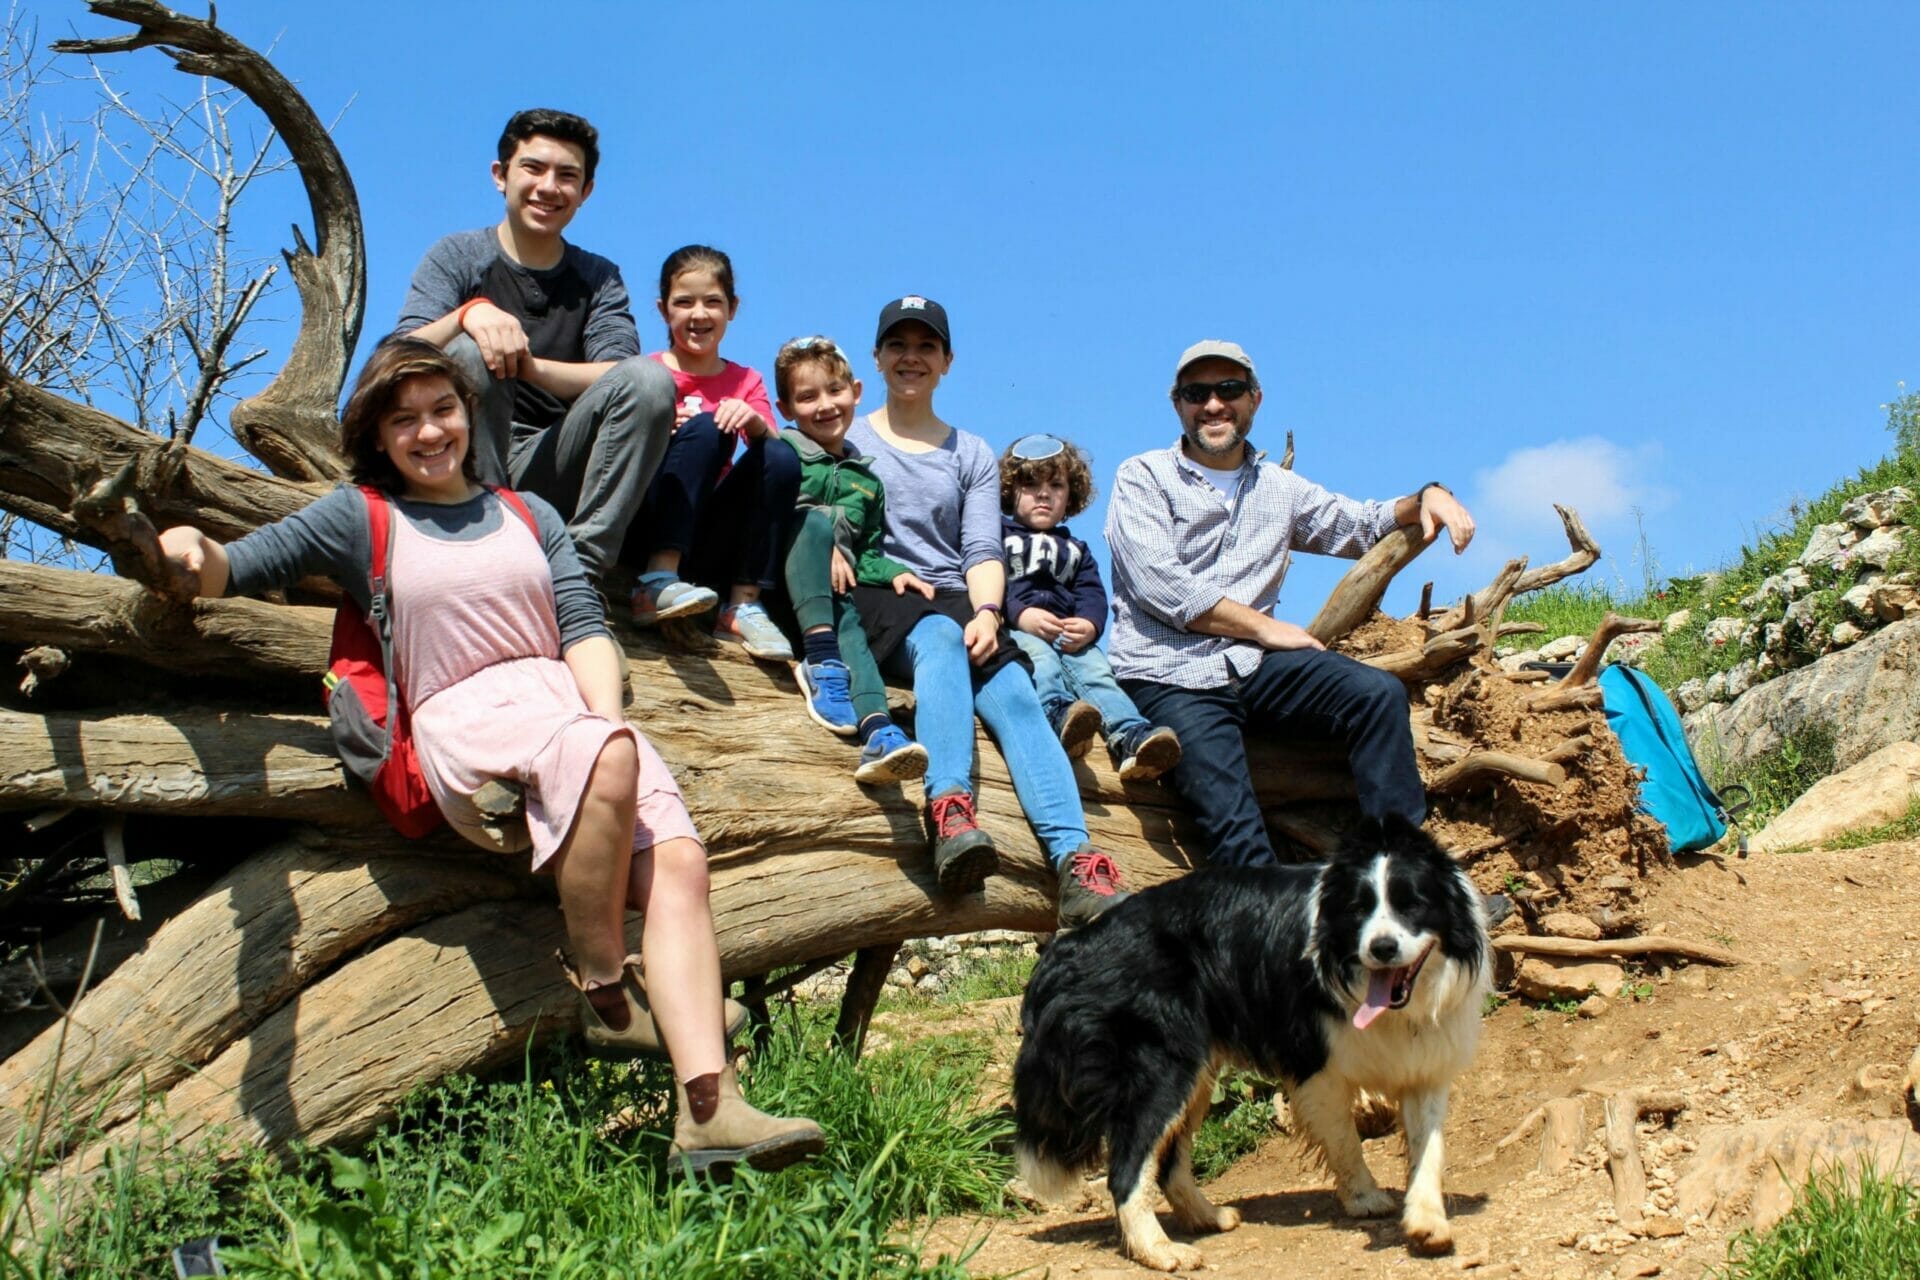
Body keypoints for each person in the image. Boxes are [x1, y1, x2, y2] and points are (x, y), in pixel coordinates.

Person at [156, 339, 822, 1175]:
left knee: (682, 864)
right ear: (377, 433)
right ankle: (606, 989)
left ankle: (710, 1111)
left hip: (568, 711)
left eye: (442, 410)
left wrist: (605, 724)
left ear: (469, 414)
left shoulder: (528, 514)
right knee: (607, 758)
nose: (429, 432)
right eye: (405, 420)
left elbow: (583, 624)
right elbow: (239, 567)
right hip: (463, 722)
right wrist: (187, 550)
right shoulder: (358, 515)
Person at [1105, 339, 1477, 870]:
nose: (1213, 404)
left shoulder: (1278, 488)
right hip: (1169, 675)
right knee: (1238, 841)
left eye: (1229, 389)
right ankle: (1288, 935)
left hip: (1256, 668)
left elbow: (1357, 524)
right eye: (1197, 392)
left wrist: (1428, 495)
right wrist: (1262, 627)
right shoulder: (1142, 477)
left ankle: (1402, 878)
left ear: (1255, 399)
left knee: (1376, 694)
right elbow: (1162, 587)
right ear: (1178, 404)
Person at [845, 296, 1128, 930]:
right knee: (943, 633)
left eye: (925, 346)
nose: (910, 357)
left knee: (1015, 690)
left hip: (955, 597)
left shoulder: (968, 451)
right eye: (898, 345)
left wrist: (990, 610)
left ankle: (1076, 860)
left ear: (946, 361)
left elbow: (979, 548)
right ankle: (948, 809)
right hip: (879, 591)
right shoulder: (853, 437)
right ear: (878, 357)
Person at [391, 108, 674, 585]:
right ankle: (481, 538)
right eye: (533, 168)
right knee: (463, 350)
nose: (549, 187)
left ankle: (581, 573)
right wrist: (467, 315)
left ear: (585, 193)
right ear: (500, 176)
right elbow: (396, 357)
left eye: (568, 176)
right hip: (459, 460)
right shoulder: (457, 256)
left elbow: (620, 374)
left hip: (556, 457)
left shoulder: (599, 277)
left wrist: (529, 367)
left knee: (651, 379)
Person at [623, 246, 800, 659]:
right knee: (706, 430)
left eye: (712, 302)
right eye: (684, 302)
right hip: (649, 516)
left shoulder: (745, 379)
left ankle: (743, 605)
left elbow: (774, 462)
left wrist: (753, 423)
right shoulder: (646, 372)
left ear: (732, 308)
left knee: (779, 453)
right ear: (663, 309)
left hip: (707, 531)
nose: (698, 314)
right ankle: (657, 578)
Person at [771, 335, 928, 785]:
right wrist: (824, 542)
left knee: (852, 624)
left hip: (831, 598)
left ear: (856, 392)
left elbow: (866, 555)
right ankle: (820, 661)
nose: (825, 405)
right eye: (807, 396)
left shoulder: (868, 483)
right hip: (779, 583)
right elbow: (767, 516)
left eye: (835, 391)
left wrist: (896, 572)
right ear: (785, 408)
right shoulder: (784, 453)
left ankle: (878, 730)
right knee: (814, 525)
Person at [999, 433, 1181, 782]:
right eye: (1029, 484)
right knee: (1039, 659)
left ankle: (1131, 735)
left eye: (1056, 485)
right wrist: (1020, 614)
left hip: (1070, 634)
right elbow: (989, 580)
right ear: (1009, 491)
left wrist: (1089, 624)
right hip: (1020, 630)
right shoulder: (997, 535)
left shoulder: (1078, 549)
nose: (1043, 494)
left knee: (1098, 673)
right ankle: (1057, 714)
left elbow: (1093, 595)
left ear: (1071, 496)